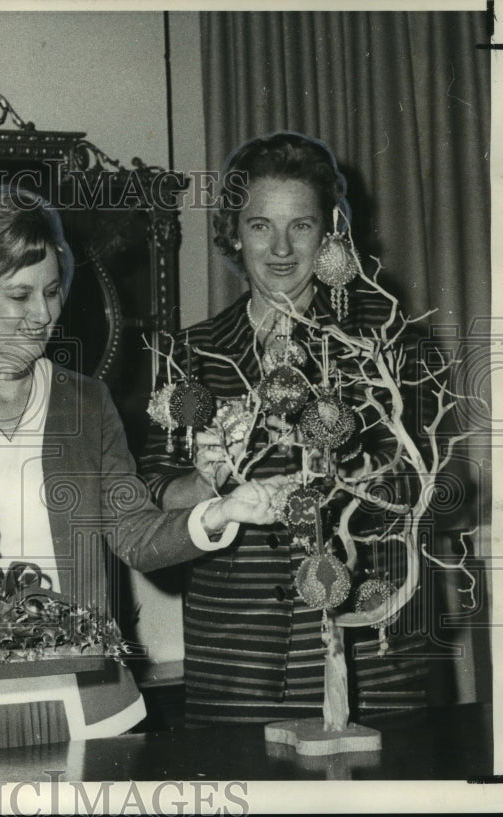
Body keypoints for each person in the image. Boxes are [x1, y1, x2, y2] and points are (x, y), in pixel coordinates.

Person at [0, 186, 284, 755]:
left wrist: (219, 512)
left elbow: (136, 534)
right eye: (19, 296)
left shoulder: (87, 403)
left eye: (51, 291)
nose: (44, 314)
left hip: (94, 713)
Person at [139, 131, 429, 726]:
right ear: (232, 233)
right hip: (238, 665)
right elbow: (153, 503)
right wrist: (208, 481)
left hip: (366, 655)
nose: (280, 249)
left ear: (330, 236)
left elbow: (421, 489)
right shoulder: (189, 354)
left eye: (301, 226)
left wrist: (339, 455)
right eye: (259, 225)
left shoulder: (384, 346)